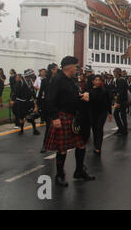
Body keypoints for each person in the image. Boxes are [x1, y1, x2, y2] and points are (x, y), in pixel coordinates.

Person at [44, 56, 95, 187]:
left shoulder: (71, 80)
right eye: (76, 66)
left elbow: (71, 96)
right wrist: (54, 117)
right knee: (62, 149)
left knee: (81, 144)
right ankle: (59, 175)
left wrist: (82, 95)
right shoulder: (57, 80)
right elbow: (49, 100)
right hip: (62, 116)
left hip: (73, 116)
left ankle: (79, 171)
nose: (77, 69)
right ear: (69, 67)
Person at [12, 69, 40, 135]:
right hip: (21, 102)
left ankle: (35, 130)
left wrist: (35, 99)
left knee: (31, 116)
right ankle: (21, 130)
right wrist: (13, 100)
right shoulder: (21, 82)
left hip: (29, 102)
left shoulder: (30, 81)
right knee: (21, 117)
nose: (33, 75)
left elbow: (32, 92)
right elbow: (16, 92)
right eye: (31, 74)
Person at [89, 75, 112, 155]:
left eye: (99, 80)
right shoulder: (89, 91)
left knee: (99, 128)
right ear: (93, 81)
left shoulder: (104, 91)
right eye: (96, 80)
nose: (97, 82)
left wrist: (110, 113)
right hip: (93, 113)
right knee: (94, 129)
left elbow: (108, 102)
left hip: (102, 112)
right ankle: (96, 145)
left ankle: (98, 147)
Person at [38, 63, 59, 153]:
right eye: (55, 69)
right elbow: (40, 93)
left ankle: (56, 143)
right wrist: (38, 105)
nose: (57, 70)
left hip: (57, 105)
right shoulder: (45, 81)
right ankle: (45, 144)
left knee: (57, 126)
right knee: (48, 126)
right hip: (47, 105)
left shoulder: (58, 80)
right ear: (52, 70)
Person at [113, 67, 128, 135]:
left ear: (118, 73)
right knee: (122, 115)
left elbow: (121, 92)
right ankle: (123, 129)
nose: (114, 73)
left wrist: (118, 102)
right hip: (123, 101)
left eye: (115, 72)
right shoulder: (120, 79)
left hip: (122, 101)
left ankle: (122, 129)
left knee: (117, 114)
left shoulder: (120, 80)